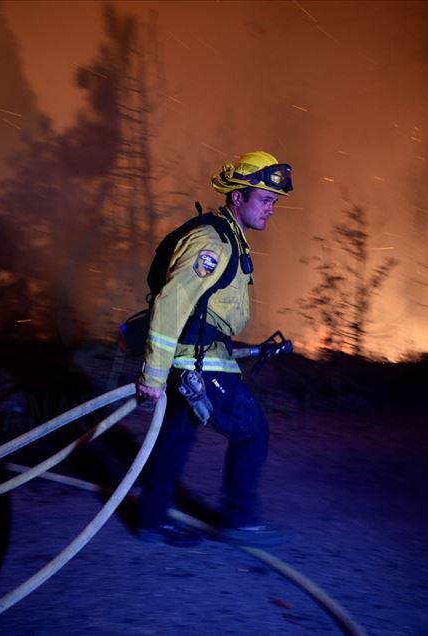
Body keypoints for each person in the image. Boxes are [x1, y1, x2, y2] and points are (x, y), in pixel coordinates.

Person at [135, 150, 292, 548]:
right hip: (198, 363)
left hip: (200, 357)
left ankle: (151, 520)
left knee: (175, 438)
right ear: (237, 198)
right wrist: (153, 374)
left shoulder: (229, 239)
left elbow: (210, 311)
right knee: (252, 433)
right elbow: (171, 303)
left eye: (274, 202)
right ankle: (238, 522)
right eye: (265, 200)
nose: (272, 209)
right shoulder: (213, 242)